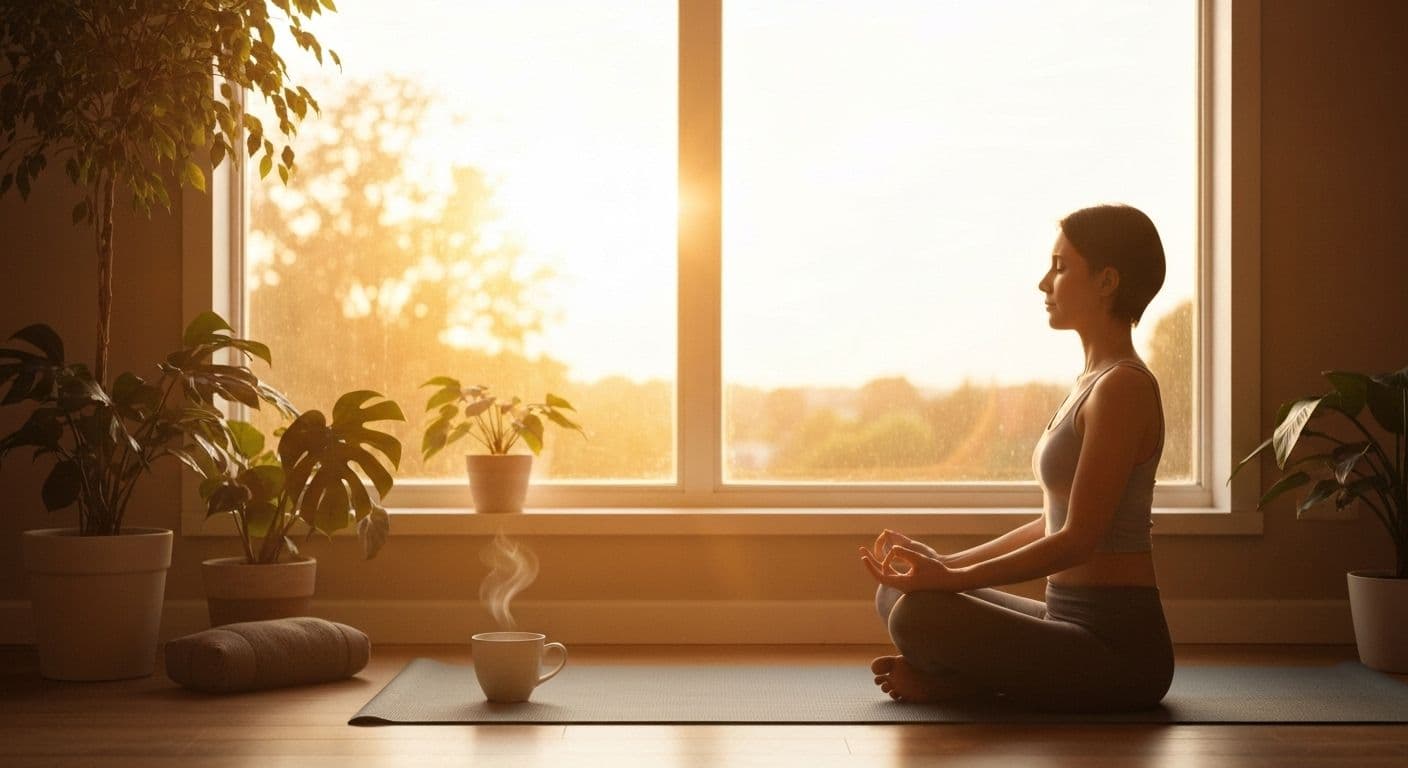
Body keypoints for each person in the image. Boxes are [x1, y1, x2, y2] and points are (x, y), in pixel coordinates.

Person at [859, 204, 1174, 712]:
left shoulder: (1123, 388)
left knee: (918, 618)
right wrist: (943, 564)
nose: (1044, 282)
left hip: (1119, 651)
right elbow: (1054, 521)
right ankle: (971, 682)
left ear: (1106, 281)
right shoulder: (1091, 382)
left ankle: (964, 685)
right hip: (1062, 623)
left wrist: (954, 580)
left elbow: (1077, 540)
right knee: (896, 597)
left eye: (1060, 266)